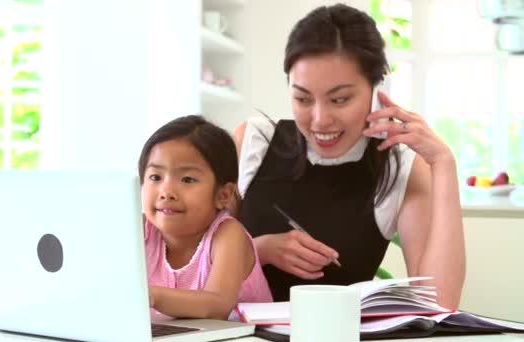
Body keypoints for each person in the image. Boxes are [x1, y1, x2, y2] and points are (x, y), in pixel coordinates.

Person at [233, 4, 465, 309]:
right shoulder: (253, 142)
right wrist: (258, 251)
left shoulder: (400, 168)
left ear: (378, 88)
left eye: (339, 99)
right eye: (302, 98)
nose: (320, 120)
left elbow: (439, 304)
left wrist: (444, 165)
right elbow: (182, 267)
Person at [139, 115, 272, 320]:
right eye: (155, 177)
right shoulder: (138, 230)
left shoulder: (227, 235)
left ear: (223, 195)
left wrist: (152, 295)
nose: (166, 192)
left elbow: (217, 305)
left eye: (187, 179)